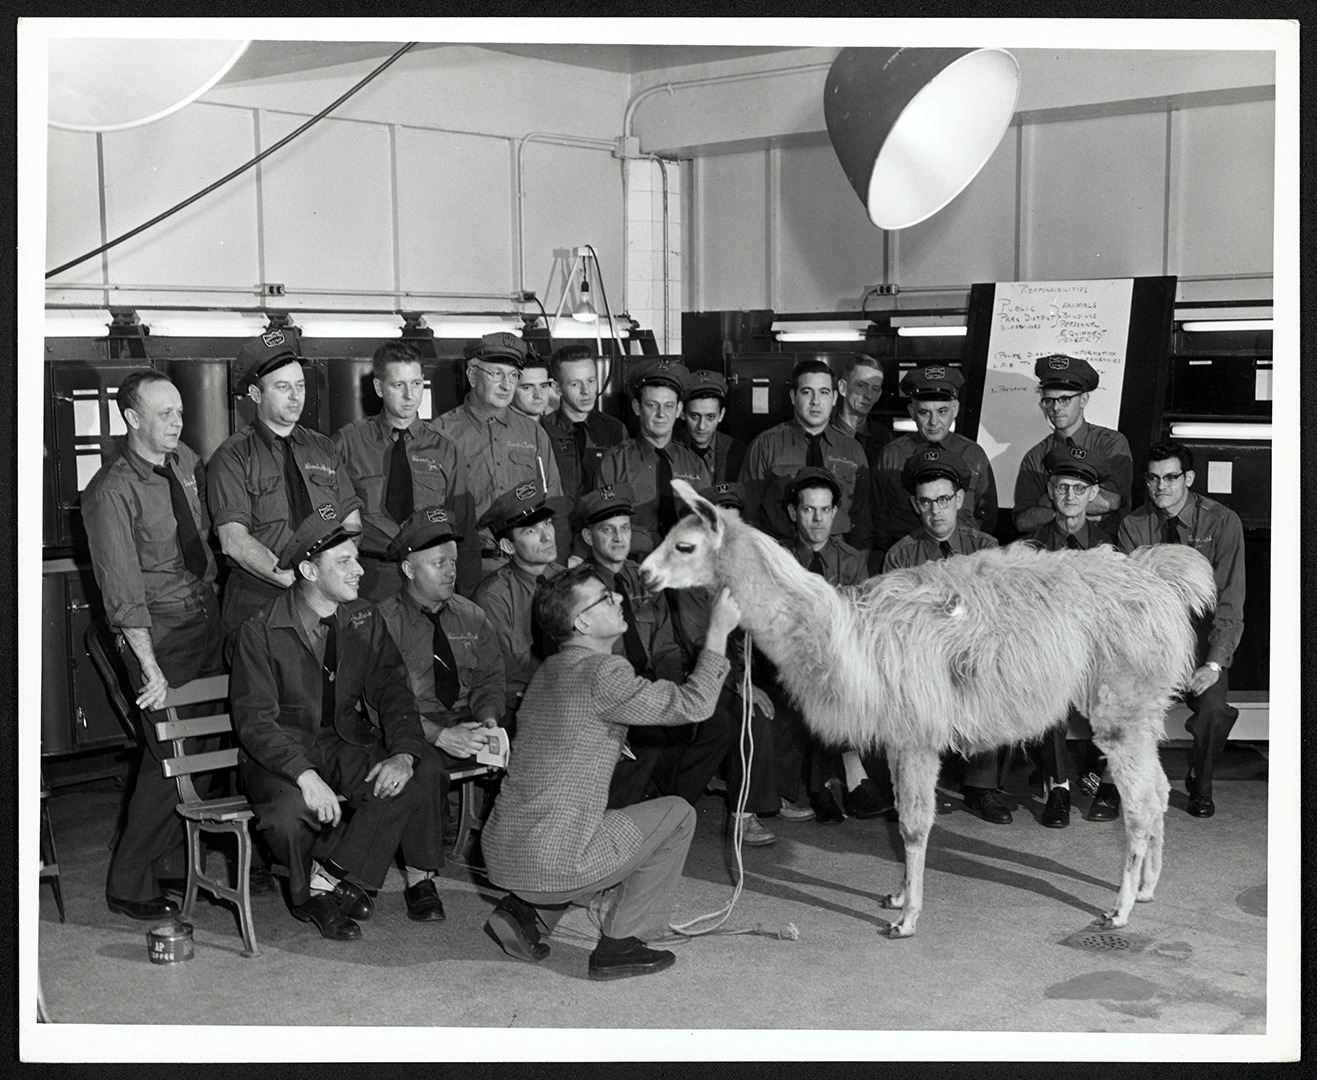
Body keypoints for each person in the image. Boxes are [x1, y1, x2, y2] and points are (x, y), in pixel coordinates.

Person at [480, 563, 741, 980]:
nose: (619, 597)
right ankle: (620, 945)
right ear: (581, 621)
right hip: (551, 864)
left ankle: (524, 914)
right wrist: (718, 633)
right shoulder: (604, 671)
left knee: (591, 818)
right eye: (605, 597)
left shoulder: (549, 671)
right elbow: (695, 704)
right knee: (677, 815)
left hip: (504, 852)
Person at [229, 505, 447, 941]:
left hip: (341, 741)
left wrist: (403, 753)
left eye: (356, 559)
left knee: (415, 775)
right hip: (280, 756)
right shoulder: (260, 629)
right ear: (309, 570)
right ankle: (309, 897)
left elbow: (393, 690)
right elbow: (255, 722)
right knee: (290, 817)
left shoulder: (363, 616)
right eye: (343, 562)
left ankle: (327, 879)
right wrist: (305, 776)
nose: (358, 572)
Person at [81, 371, 227, 921]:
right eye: (163, 414)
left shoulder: (185, 463)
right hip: (159, 635)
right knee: (170, 756)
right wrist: (149, 669)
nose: (176, 423)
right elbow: (122, 592)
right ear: (132, 418)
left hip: (205, 618)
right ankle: (127, 881)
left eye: (181, 413)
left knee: (205, 751)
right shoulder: (110, 491)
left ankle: (168, 862)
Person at [574, 483, 724, 812]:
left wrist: (671, 692)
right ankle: (622, 815)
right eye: (607, 530)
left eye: (625, 528)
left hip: (650, 687)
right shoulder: (577, 587)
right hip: (614, 693)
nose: (618, 538)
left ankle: (666, 805)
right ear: (588, 537)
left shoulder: (645, 578)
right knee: (650, 738)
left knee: (718, 722)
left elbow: (666, 646)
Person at [208, 330, 361, 651]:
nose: (295, 396)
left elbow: (351, 523)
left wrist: (330, 576)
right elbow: (234, 540)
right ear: (255, 393)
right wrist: (297, 579)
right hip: (261, 597)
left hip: (323, 595)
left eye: (300, 386)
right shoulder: (233, 456)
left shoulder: (324, 448)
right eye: (283, 387)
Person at [1118, 440, 1245, 818]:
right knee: (1122, 704)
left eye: (1171, 477)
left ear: (1188, 477)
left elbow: (1230, 599)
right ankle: (1120, 788)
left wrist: (1214, 664)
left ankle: (1200, 785)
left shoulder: (1222, 521)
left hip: (1201, 639)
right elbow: (1132, 601)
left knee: (1213, 710)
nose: (1161, 487)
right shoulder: (1132, 526)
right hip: (1152, 639)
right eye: (1153, 479)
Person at [884, 447, 1004, 822]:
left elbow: (996, 615)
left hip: (973, 651)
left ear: (959, 499)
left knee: (991, 672)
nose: (936, 511)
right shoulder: (901, 555)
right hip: (924, 658)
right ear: (914, 505)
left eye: (943, 500)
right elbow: (896, 623)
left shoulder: (985, 547)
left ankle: (981, 787)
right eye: (926, 503)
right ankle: (919, 788)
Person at [775, 467, 889, 824]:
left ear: (835, 512)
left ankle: (822, 785)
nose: (818, 518)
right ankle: (852, 779)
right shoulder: (778, 561)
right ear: (794, 512)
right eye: (809, 509)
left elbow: (863, 622)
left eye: (825, 509)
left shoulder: (853, 561)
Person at [332, 341, 479, 601]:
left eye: (417, 384)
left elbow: (464, 526)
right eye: (398, 385)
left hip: (427, 577)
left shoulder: (445, 448)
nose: (410, 396)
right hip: (369, 577)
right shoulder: (348, 443)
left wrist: (466, 592)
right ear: (379, 387)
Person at [376, 505, 506, 789]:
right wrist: (440, 735)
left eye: (454, 563)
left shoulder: (472, 616)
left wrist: (489, 721)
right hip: (416, 729)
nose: (451, 573)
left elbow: (490, 680)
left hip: (469, 720)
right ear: (409, 570)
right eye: (439, 564)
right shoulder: (383, 624)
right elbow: (380, 704)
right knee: (423, 773)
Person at [1021, 445, 1117, 827]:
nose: (1070, 497)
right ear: (1050, 490)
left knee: (1117, 697)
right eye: (1062, 488)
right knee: (1049, 698)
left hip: (1097, 655)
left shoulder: (1110, 548)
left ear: (1093, 494)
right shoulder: (1030, 548)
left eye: (1079, 489)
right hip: (1050, 655)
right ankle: (1059, 786)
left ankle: (1106, 781)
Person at [432, 332, 564, 579]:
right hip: (471, 570)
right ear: (472, 375)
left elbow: (554, 504)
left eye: (513, 375)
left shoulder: (533, 433)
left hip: (529, 569)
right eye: (497, 374)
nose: (506, 385)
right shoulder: (441, 434)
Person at [738, 358, 873, 565]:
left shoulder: (852, 450)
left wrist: (856, 570)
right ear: (793, 396)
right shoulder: (766, 446)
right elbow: (748, 514)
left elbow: (862, 523)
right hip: (780, 561)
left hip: (838, 564)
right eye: (807, 392)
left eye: (824, 392)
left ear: (835, 397)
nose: (816, 401)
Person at [871, 365, 997, 566]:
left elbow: (987, 516)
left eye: (942, 411)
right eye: (924, 412)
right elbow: (878, 517)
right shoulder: (892, 455)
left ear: (954, 409)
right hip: (909, 561)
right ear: (912, 412)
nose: (933, 421)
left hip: (965, 560)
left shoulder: (974, 454)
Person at [471, 479, 572, 709]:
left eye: (547, 523)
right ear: (508, 546)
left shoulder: (569, 582)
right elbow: (505, 677)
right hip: (525, 704)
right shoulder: (494, 598)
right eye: (531, 531)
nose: (547, 537)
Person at [598, 359, 712, 559]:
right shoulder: (615, 461)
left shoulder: (695, 465)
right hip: (633, 566)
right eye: (652, 405)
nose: (661, 414)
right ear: (637, 407)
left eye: (668, 406)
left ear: (678, 410)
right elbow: (604, 526)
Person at [1013, 353, 1133, 538]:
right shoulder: (1035, 456)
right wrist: (1075, 511)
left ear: (1083, 400)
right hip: (1051, 553)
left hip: (1103, 550)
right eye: (1049, 400)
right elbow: (1023, 521)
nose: (1055, 408)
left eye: (1064, 399)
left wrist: (1049, 501)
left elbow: (1112, 501)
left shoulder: (1111, 443)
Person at [539, 344, 627, 501]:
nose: (586, 391)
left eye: (591, 381)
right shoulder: (543, 431)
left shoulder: (615, 430)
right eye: (575, 384)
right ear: (557, 388)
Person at [675, 369, 746, 483]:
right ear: (682, 413)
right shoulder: (669, 449)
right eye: (694, 416)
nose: (702, 426)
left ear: (721, 415)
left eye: (710, 417)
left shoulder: (736, 450)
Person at [830, 352, 893, 466]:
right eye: (861, 386)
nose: (868, 395)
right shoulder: (823, 434)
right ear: (843, 388)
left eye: (875, 389)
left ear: (879, 395)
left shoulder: (884, 438)